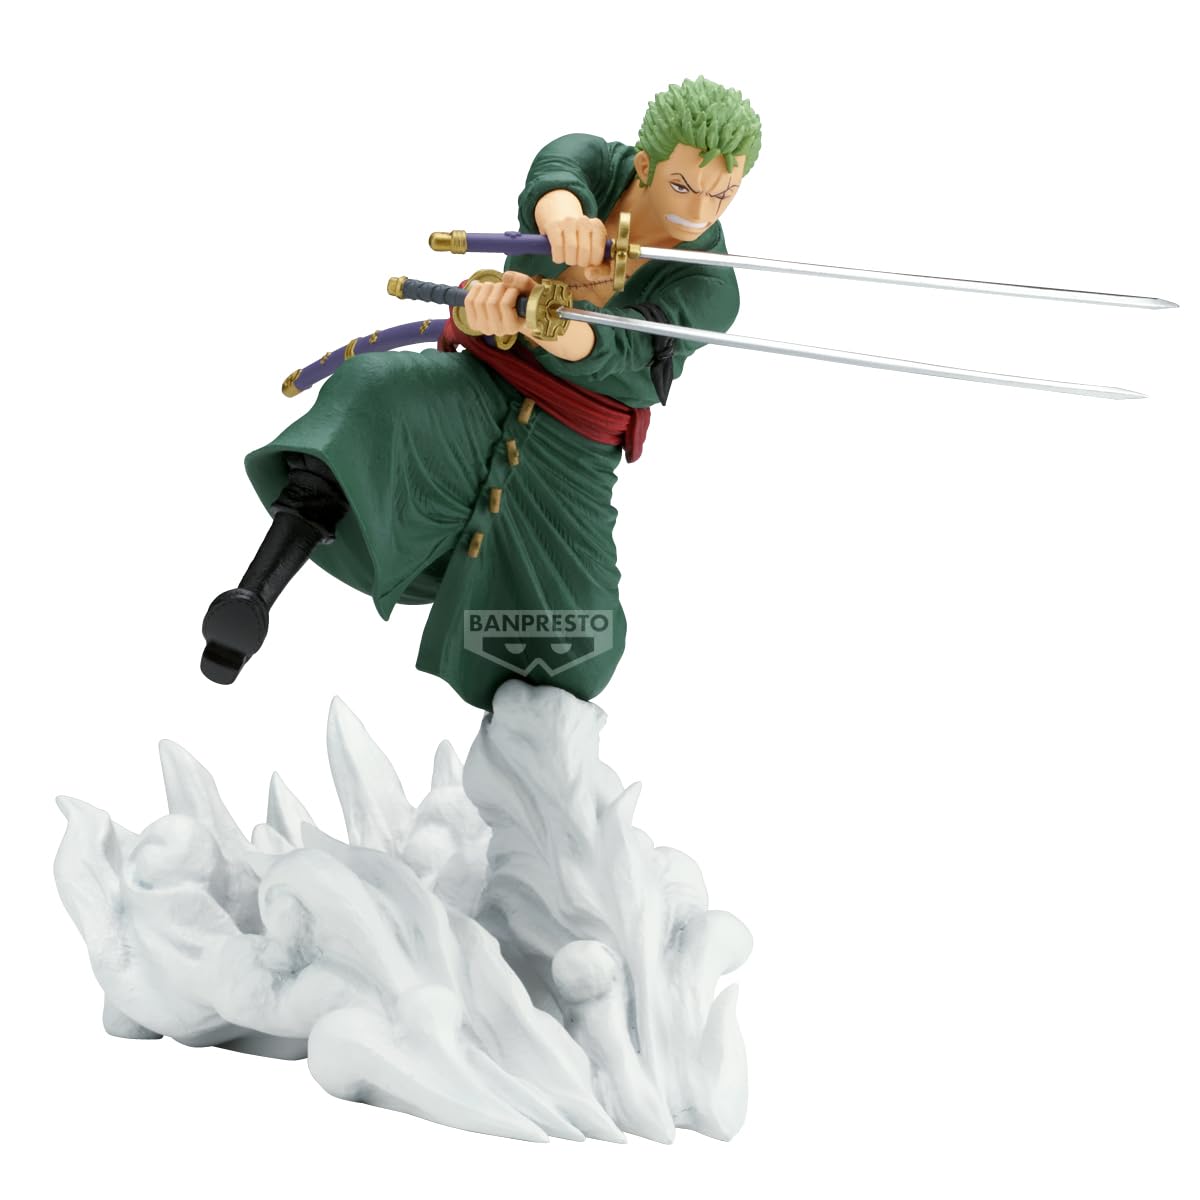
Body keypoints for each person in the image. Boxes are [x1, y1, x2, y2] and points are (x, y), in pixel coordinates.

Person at [201, 77, 762, 710]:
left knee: (581, 648)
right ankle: (252, 597)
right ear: (644, 165)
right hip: (485, 382)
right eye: (684, 186)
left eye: (724, 193)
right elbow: (557, 171)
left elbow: (626, 352)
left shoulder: (713, 290)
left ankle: (519, 726)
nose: (701, 211)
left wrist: (547, 321)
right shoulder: (596, 165)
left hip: (570, 448)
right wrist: (561, 225)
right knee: (374, 392)